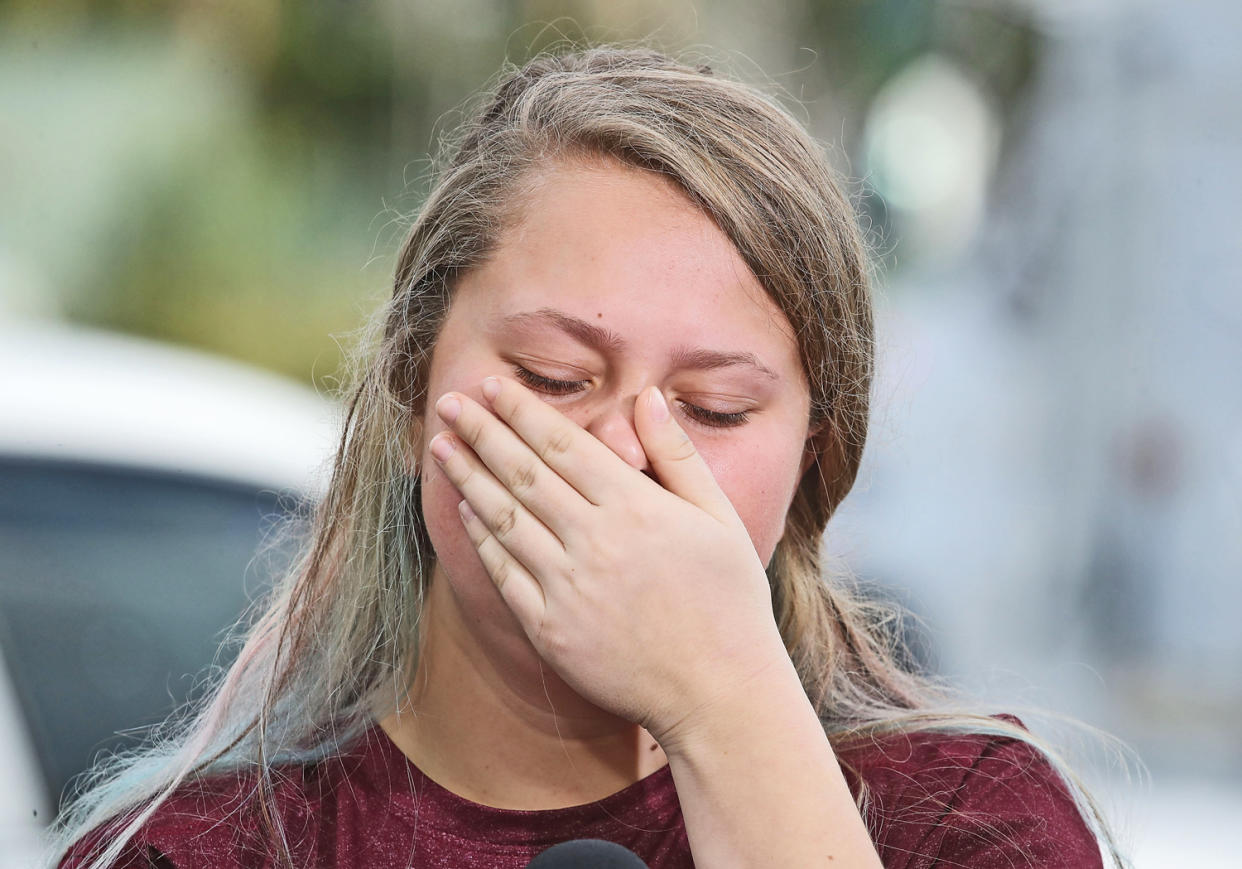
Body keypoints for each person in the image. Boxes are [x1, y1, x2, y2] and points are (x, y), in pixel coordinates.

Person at [51, 46, 1121, 868]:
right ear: (416, 382)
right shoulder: (193, 847)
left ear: (813, 461)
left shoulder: (973, 817)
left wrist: (722, 701)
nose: (620, 450)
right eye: (557, 377)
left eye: (711, 407)